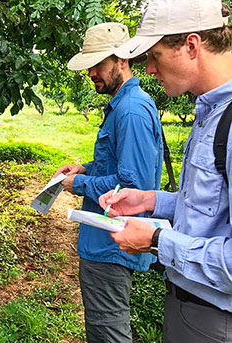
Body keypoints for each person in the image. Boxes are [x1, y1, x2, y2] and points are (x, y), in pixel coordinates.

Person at [99, 0, 232, 342]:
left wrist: (157, 241)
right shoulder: (211, 114)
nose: (148, 69)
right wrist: (149, 200)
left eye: (154, 55)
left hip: (215, 318)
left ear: (191, 45)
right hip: (189, 306)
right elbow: (211, 206)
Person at [55, 22, 163, 342]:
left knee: (108, 333)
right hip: (103, 241)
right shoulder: (122, 106)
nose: (91, 73)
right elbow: (117, 164)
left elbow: (134, 186)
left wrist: (81, 186)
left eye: (99, 64)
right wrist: (86, 169)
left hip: (111, 243)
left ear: (122, 60)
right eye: (90, 66)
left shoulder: (130, 110)